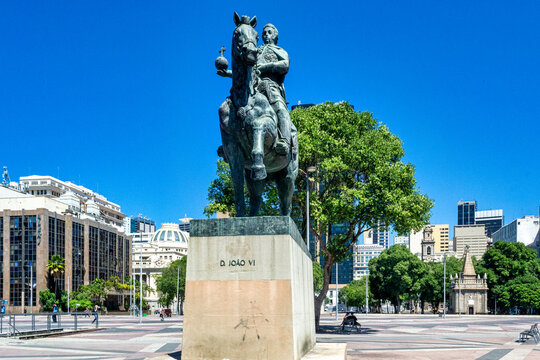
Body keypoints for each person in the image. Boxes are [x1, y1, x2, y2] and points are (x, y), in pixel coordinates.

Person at [217, 23, 297, 157]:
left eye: (269, 32)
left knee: (281, 109)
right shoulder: (256, 51)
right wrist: (228, 73)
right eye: (264, 33)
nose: (266, 35)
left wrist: (265, 67)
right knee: (231, 108)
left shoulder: (279, 50)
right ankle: (230, 141)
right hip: (253, 86)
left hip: (270, 87)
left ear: (275, 36)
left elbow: (285, 64)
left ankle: (284, 140)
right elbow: (244, 71)